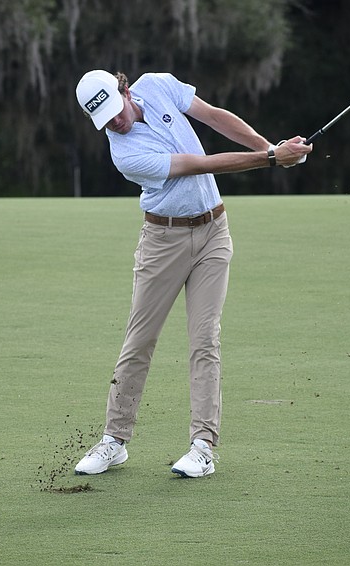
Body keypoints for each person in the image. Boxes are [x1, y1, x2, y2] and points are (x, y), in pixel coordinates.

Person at [73, 70, 311, 478]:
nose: (115, 122)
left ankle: (203, 446)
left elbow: (216, 116)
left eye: (116, 110)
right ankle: (115, 440)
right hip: (162, 242)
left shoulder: (158, 84)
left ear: (125, 89)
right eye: (104, 120)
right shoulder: (124, 154)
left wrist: (268, 146)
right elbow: (200, 164)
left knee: (205, 338)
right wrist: (271, 159)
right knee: (139, 341)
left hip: (213, 233)